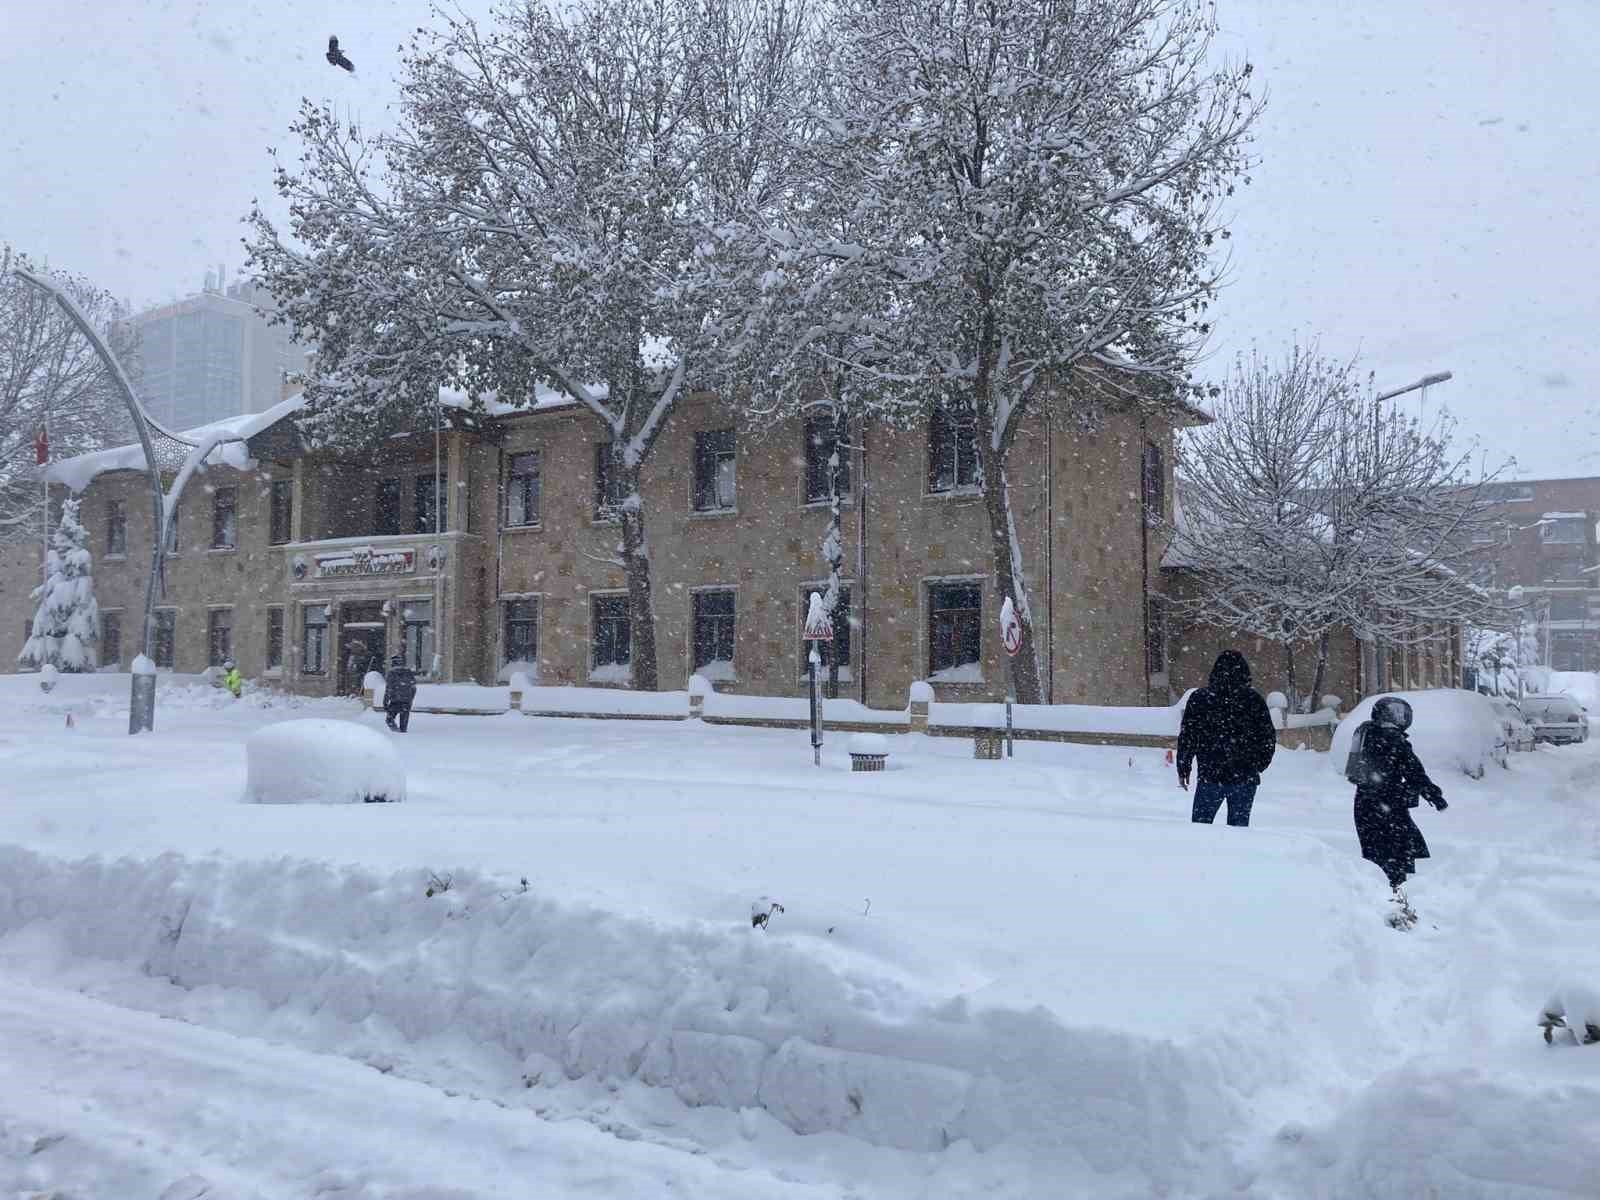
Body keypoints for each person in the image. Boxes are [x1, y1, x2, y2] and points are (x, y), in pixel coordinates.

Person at [1346, 696, 1446, 925]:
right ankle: (1397, 911)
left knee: (1374, 857)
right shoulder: (1394, 740)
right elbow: (1414, 771)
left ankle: (1377, 907)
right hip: (1388, 806)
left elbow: (1356, 772)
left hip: (1365, 803)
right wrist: (1433, 795)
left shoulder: (1365, 733)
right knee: (1396, 859)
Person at [1175, 650, 1278, 827]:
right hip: (1243, 777)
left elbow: (1188, 736)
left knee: (1200, 827)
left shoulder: (1200, 699)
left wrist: (1184, 765)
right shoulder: (1253, 700)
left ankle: (1199, 854)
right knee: (1238, 829)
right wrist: (1257, 765)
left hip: (1210, 774)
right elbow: (1267, 737)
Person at [383, 653, 418, 733]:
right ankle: (402, 736)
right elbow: (414, 687)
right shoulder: (409, 672)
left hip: (395, 701)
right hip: (406, 702)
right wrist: (410, 699)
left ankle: (396, 734)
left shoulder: (391, 673)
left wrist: (385, 702)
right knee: (404, 726)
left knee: (389, 720)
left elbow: (388, 689)